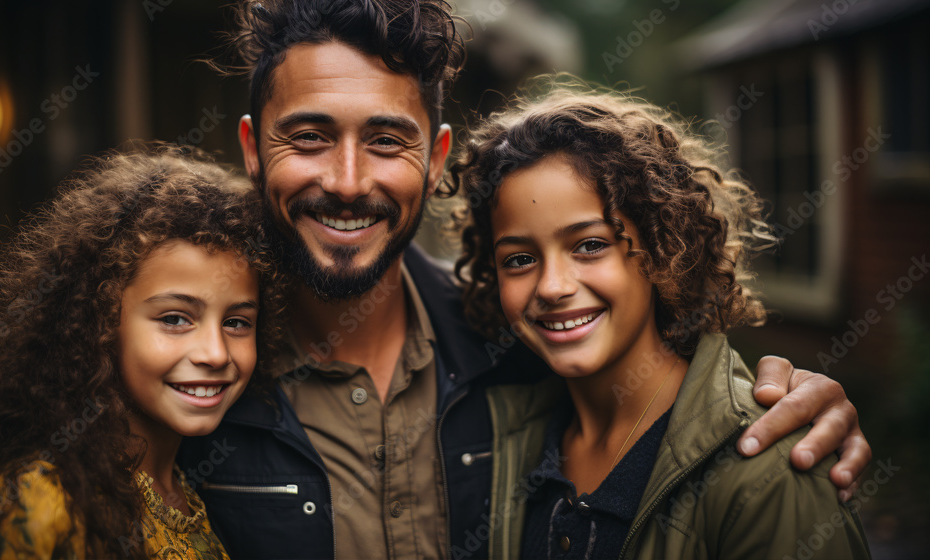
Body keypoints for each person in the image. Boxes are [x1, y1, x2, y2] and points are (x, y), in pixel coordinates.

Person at [178, 2, 871, 558]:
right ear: (250, 149)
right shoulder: (191, 375)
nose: (348, 182)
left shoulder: (516, 357)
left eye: (387, 140)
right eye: (309, 137)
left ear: (435, 156)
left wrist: (775, 406)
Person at [452, 81, 871, 559]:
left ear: (661, 249)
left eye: (590, 245)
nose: (551, 286)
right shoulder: (507, 442)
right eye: (520, 259)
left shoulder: (769, 465)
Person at [0, 146, 281, 559]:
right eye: (174, 319)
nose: (215, 353)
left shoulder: (186, 484)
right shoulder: (42, 504)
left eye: (237, 322)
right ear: (100, 321)